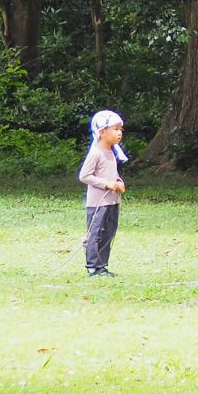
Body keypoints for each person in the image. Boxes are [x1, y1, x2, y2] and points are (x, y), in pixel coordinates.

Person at [79, 110, 127, 277]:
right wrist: (106, 184)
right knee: (96, 233)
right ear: (102, 132)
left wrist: (119, 182)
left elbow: (112, 173)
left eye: (120, 129)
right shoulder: (96, 153)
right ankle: (93, 267)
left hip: (112, 201)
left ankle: (102, 265)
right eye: (115, 129)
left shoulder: (111, 152)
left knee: (109, 232)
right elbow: (84, 176)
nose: (119, 133)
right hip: (98, 203)